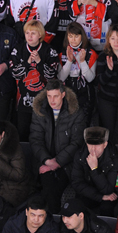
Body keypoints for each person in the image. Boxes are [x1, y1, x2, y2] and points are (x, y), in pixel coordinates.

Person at [29, 79, 86, 213]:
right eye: (49, 96)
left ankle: (53, 221)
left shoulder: (76, 112)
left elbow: (77, 143)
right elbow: (35, 139)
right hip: (44, 161)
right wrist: (47, 161)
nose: (52, 100)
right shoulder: (39, 110)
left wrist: (58, 162)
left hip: (67, 164)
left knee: (53, 189)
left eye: (55, 96)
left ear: (63, 94)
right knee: (48, 188)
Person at [70, 126, 118, 216]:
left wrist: (94, 169)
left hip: (108, 194)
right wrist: (100, 197)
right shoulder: (80, 155)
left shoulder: (114, 158)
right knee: (76, 208)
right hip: (88, 193)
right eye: (90, 144)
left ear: (105, 144)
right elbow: (76, 183)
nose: (93, 149)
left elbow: (108, 189)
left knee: (107, 208)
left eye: (97, 145)